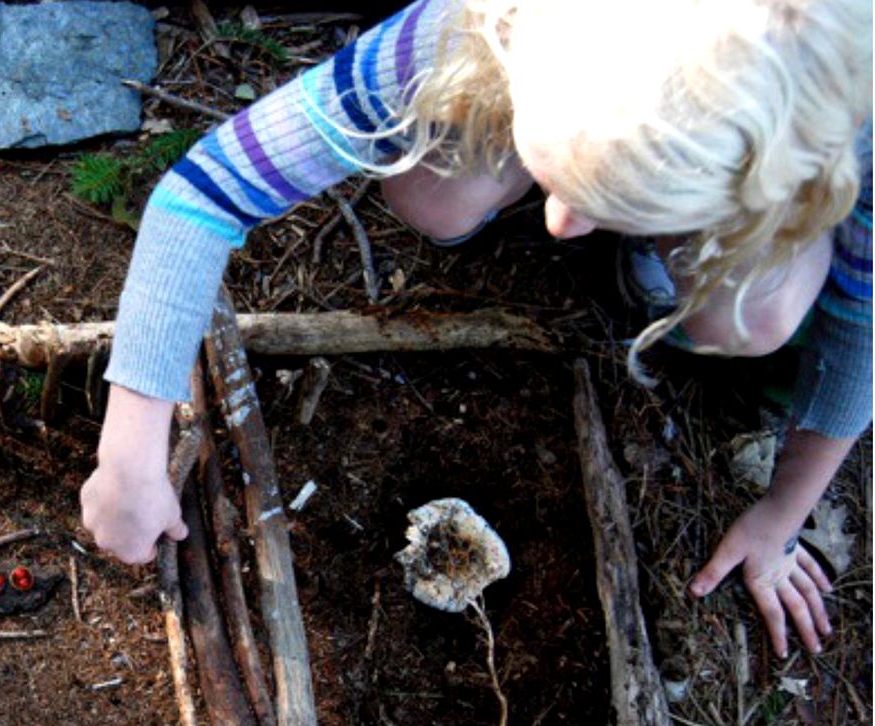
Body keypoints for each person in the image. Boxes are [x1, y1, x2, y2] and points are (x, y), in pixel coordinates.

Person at [79, 0, 873, 660]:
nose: (561, 226)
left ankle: (674, 252)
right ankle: (590, 183)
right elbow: (202, 196)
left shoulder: (846, 131)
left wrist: (783, 514)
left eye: (609, 206)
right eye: (561, 181)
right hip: (527, 88)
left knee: (754, 314)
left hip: (765, 191)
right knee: (437, 197)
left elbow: (860, 334)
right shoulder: (463, 27)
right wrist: (131, 449)